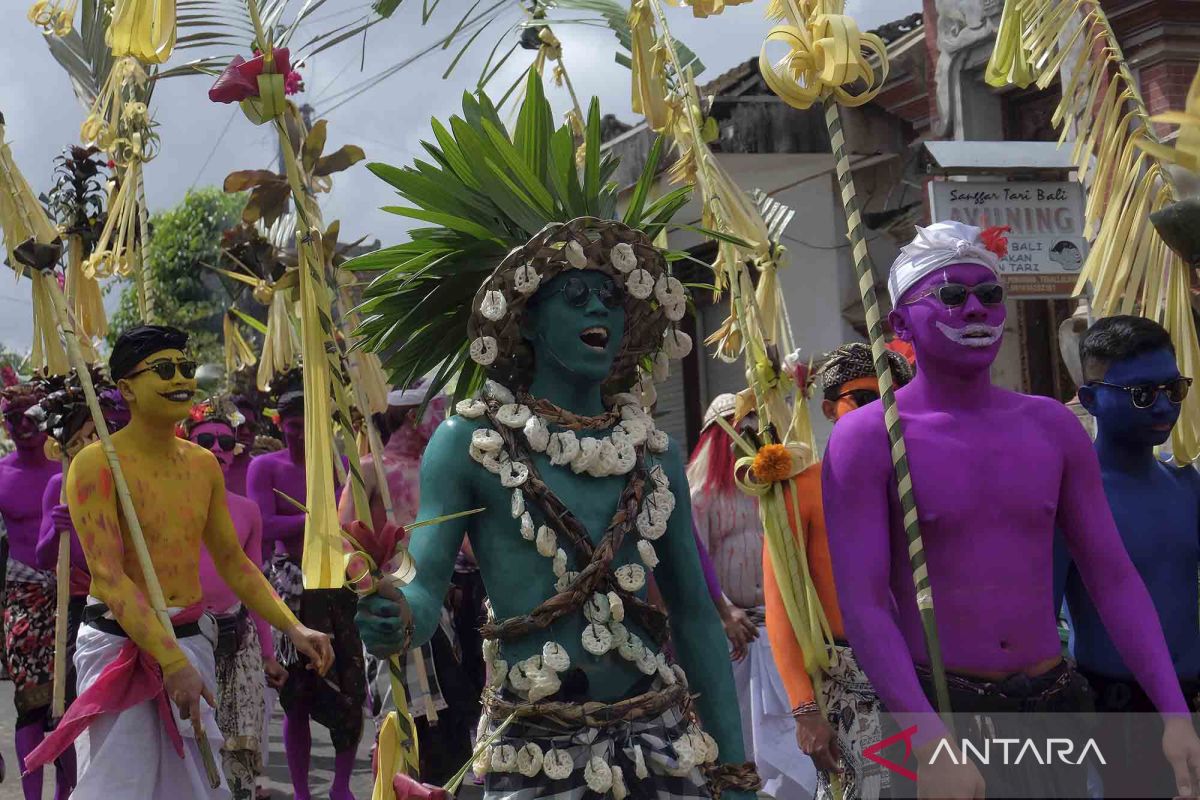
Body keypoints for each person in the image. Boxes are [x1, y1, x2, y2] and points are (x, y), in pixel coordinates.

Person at [354, 78, 761, 800]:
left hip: (658, 743)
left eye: (609, 299)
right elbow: (426, 581)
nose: (598, 309)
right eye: (575, 299)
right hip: (532, 751)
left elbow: (694, 614)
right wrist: (396, 616)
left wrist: (731, 768)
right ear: (528, 324)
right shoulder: (471, 443)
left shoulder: (652, 451)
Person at [822, 221, 1200, 799]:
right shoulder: (871, 439)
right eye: (952, 296)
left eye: (990, 295)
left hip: (1053, 706)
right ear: (900, 323)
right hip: (939, 707)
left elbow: (1112, 576)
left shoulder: (1052, 427)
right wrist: (929, 744)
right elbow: (866, 604)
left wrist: (1174, 715)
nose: (975, 309)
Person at [23, 324, 333, 800]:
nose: (182, 379)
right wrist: (169, 660)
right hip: (120, 643)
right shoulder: (95, 465)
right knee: (119, 788)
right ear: (126, 387)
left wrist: (293, 628)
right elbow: (109, 575)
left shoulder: (202, 465)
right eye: (164, 369)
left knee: (193, 787)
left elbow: (235, 563)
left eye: (186, 368)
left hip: (192, 640)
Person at [1054, 315, 1200, 797]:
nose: (1163, 405)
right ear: (1092, 398)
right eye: (1141, 394)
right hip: (1112, 712)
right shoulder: (1070, 499)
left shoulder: (1187, 485)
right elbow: (1040, 619)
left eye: (1173, 389)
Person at [765, 342, 912, 800]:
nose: (884, 413)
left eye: (897, 399)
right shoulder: (799, 490)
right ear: (829, 408)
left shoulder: (925, 483)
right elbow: (782, 606)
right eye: (866, 399)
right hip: (849, 685)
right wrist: (805, 709)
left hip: (931, 675)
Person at [337, 382, 482, 785]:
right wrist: (374, 587)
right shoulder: (370, 469)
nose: (443, 419)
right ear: (413, 415)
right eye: (437, 410)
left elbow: (466, 543)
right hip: (388, 606)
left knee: (449, 717)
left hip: (438, 609)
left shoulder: (438, 471)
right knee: (402, 719)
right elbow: (343, 540)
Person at [688, 393, 816, 800]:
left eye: (751, 430)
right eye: (737, 429)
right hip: (735, 637)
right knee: (741, 737)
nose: (745, 439)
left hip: (777, 630)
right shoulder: (700, 497)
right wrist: (725, 611)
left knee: (787, 736)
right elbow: (693, 567)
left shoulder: (773, 493)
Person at [247, 371, 365, 800]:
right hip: (293, 587)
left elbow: (355, 521)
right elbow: (264, 526)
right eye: (292, 426)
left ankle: (340, 787)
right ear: (280, 423)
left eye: (307, 426)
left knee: (352, 691)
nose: (299, 435)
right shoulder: (265, 467)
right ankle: (301, 792)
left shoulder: (340, 464)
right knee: (296, 696)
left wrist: (335, 517)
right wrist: (317, 515)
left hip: (339, 585)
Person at [29, 371, 132, 800]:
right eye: (85, 433)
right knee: (72, 706)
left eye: (99, 430)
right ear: (67, 441)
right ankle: (68, 789)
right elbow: (41, 557)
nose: (93, 439)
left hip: (123, 603)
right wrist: (57, 529)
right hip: (77, 608)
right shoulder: (59, 483)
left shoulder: (120, 478)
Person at [184, 397, 287, 800]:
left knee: (240, 747)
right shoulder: (167, 506)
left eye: (226, 443)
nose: (216, 450)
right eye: (205, 440)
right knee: (192, 742)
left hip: (238, 636)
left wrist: (268, 651)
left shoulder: (246, 511)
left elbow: (254, 581)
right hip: (186, 634)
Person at [0, 379, 64, 800]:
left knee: (69, 705)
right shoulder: (1, 473)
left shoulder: (71, 467)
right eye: (13, 418)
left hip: (73, 592)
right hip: (22, 593)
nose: (24, 425)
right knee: (32, 703)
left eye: (32, 417)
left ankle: (70, 792)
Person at [225, 394, 261, 496]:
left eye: (252, 427)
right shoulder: (208, 470)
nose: (246, 432)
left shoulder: (263, 471)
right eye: (238, 426)